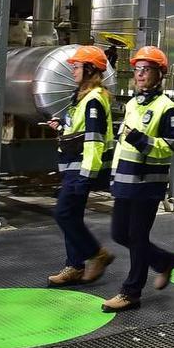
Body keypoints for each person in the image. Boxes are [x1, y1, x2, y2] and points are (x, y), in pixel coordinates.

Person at [103, 45, 174, 312]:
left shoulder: (167, 108)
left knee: (137, 237)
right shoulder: (132, 104)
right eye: (137, 69)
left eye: (146, 69)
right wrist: (113, 176)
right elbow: (121, 146)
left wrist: (140, 139)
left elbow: (168, 147)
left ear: (159, 74)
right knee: (119, 234)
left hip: (147, 185)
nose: (140, 74)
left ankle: (131, 292)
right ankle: (163, 261)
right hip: (125, 182)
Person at [48, 45, 115, 287]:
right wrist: (60, 127)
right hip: (72, 166)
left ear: (89, 70)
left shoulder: (94, 100)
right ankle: (75, 267)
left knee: (63, 213)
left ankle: (97, 254)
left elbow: (95, 141)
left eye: (76, 67)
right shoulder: (81, 97)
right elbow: (77, 130)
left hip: (81, 169)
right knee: (72, 215)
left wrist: (86, 176)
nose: (73, 70)